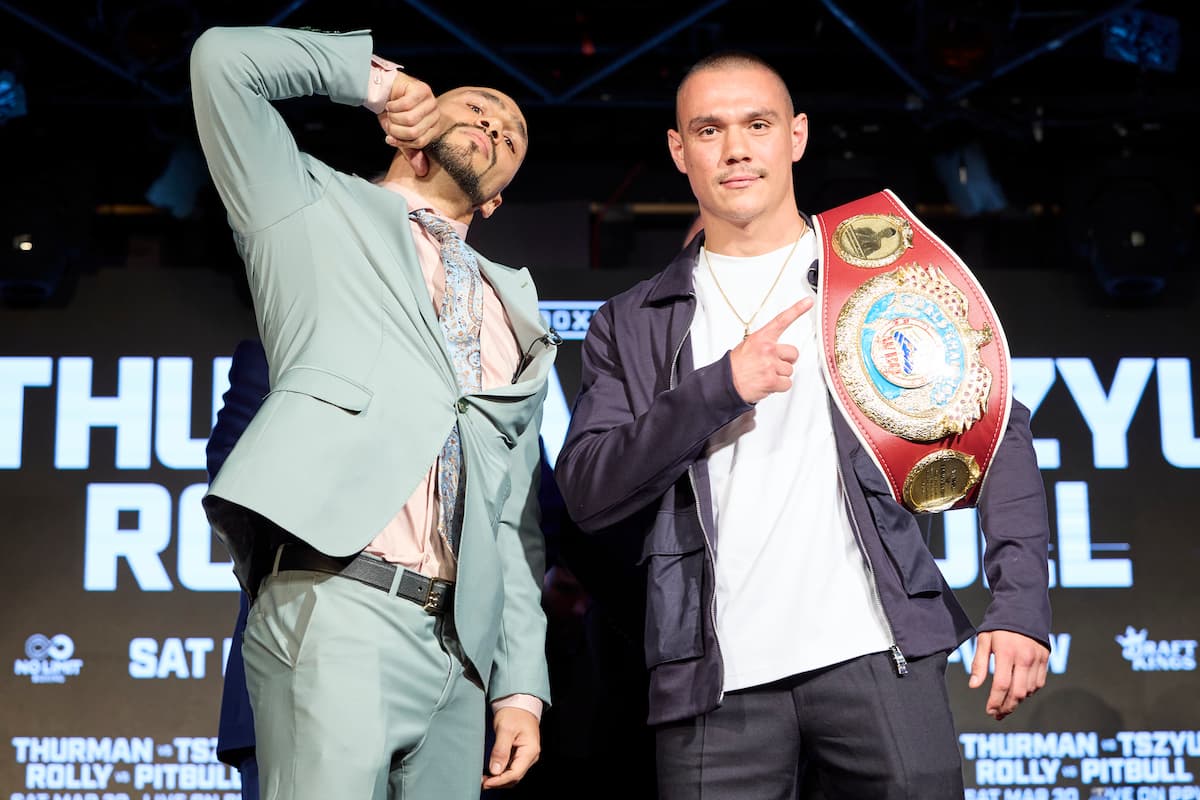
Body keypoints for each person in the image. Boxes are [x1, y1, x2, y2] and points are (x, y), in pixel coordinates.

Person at [554, 51, 1052, 799]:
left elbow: (997, 430)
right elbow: (589, 490)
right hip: (712, 684)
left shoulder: (879, 269)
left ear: (797, 135)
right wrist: (718, 388)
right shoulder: (632, 322)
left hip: (876, 651)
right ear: (678, 149)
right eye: (709, 129)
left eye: (758, 124)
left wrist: (1019, 607)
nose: (736, 148)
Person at [190, 25, 558, 799]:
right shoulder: (306, 208)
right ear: (413, 132)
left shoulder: (515, 311)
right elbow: (222, 63)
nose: (496, 124)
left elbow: (511, 514)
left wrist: (519, 684)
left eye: (513, 132)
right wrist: (376, 81)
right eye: (477, 108)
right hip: (338, 600)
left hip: (457, 651)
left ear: (498, 197)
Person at [206, 339, 270, 800]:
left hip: (444, 693)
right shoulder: (277, 346)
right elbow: (232, 476)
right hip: (288, 663)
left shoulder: (462, 358)